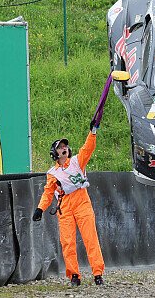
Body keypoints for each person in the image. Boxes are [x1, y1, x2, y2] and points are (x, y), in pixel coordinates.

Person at [33, 120, 105, 287]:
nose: (63, 148)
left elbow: (88, 148)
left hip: (82, 201)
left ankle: (98, 273)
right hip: (64, 207)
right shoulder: (52, 173)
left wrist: (92, 132)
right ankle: (74, 275)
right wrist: (40, 208)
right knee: (67, 242)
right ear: (55, 153)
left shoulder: (76, 162)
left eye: (65, 146)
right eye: (60, 147)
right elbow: (48, 193)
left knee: (90, 238)